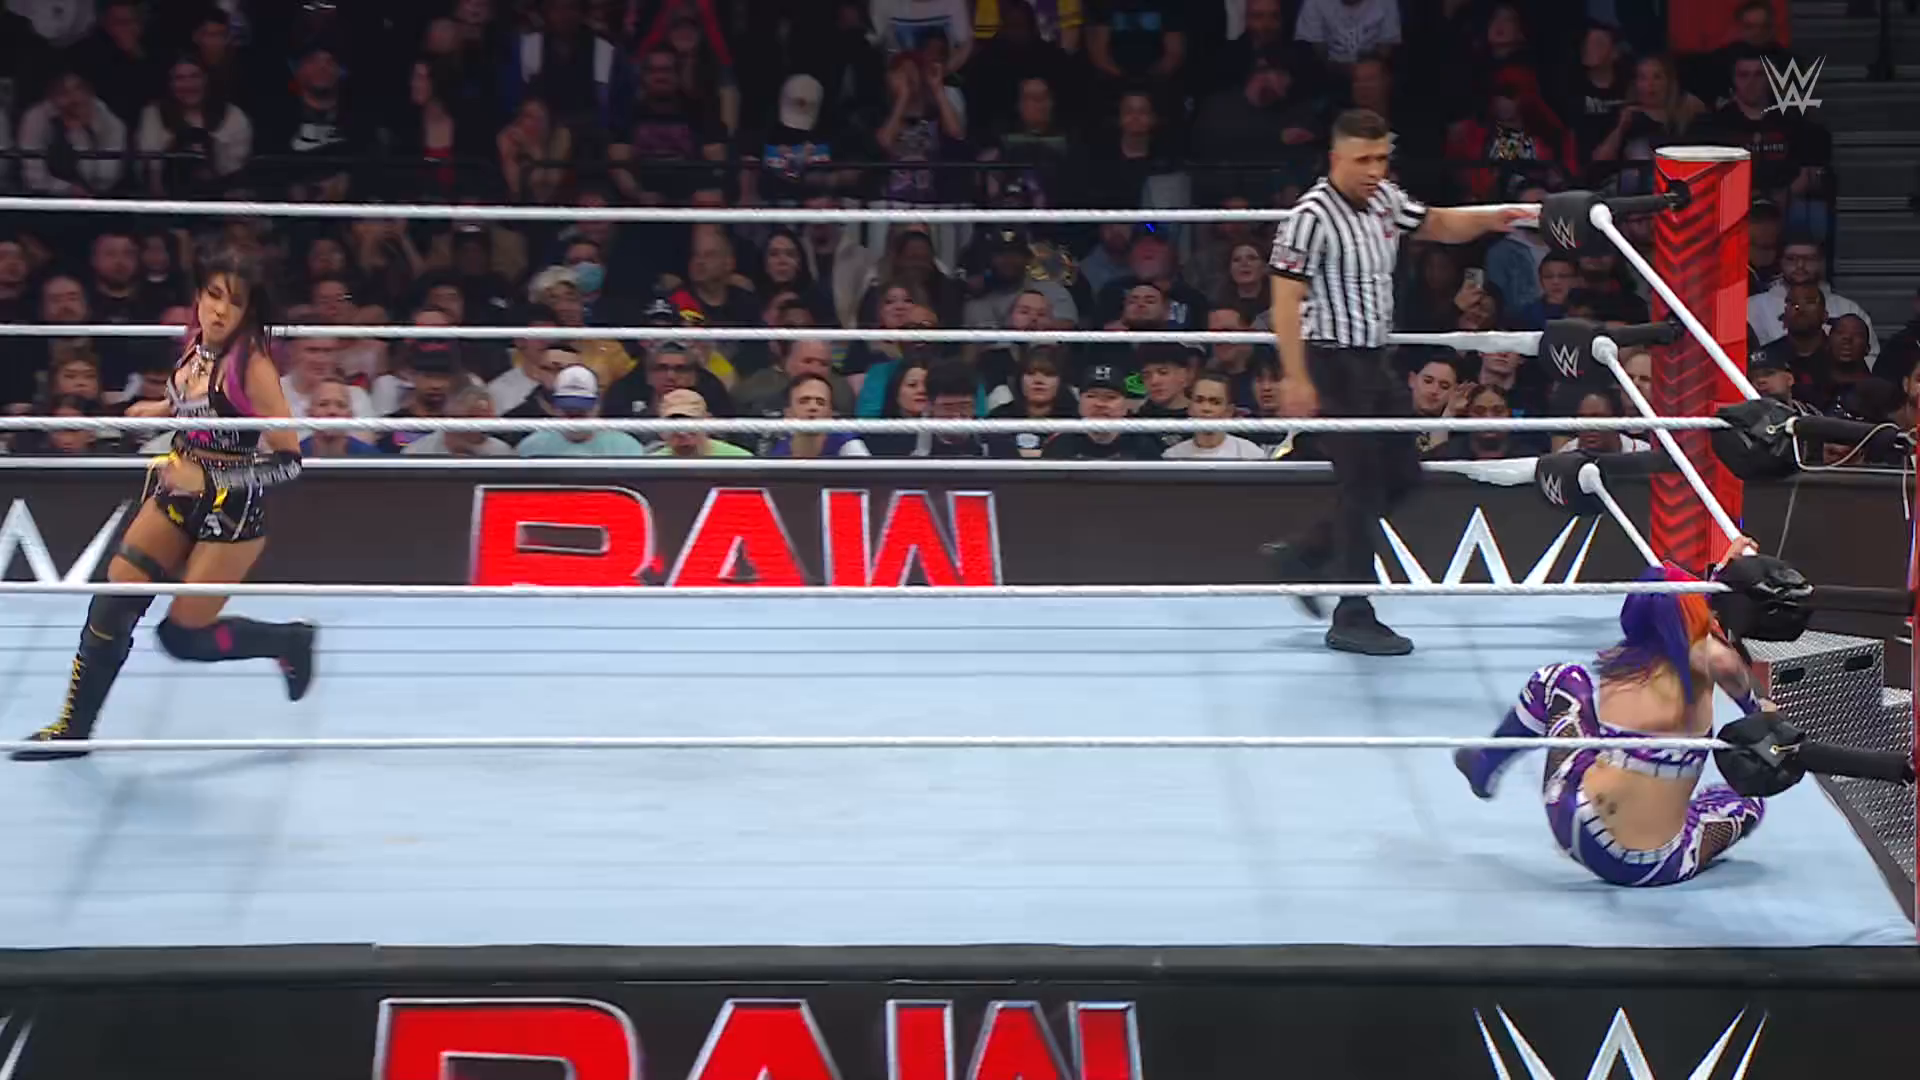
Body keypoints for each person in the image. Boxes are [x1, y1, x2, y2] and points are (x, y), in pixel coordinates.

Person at [13, 241, 317, 761]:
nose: (219, 310)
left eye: (234, 301)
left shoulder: (252, 367)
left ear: (248, 311)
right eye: (213, 294)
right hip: (177, 489)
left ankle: (287, 641)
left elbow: (289, 460)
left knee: (182, 638)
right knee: (113, 603)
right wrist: (159, 407)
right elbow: (195, 402)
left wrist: (211, 482)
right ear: (199, 295)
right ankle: (73, 731)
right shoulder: (197, 344)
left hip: (232, 514)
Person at [1261, 108, 1536, 656]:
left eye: (1381, 158)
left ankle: (1306, 553)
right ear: (1336, 158)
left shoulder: (1386, 198)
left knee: (1405, 475)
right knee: (1361, 484)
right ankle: (1352, 613)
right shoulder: (1309, 216)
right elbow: (1285, 299)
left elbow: (1436, 223)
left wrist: (1495, 217)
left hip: (1374, 361)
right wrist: (1295, 375)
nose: (1373, 170)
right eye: (1362, 159)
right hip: (1330, 360)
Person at [1453, 543, 1771, 887]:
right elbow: (1713, 642)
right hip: (1658, 866)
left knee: (1559, 680)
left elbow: (1675, 608)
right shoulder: (1707, 662)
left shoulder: (1622, 665)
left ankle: (1485, 763)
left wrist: (1721, 576)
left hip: (1577, 825)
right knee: (1747, 800)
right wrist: (1764, 717)